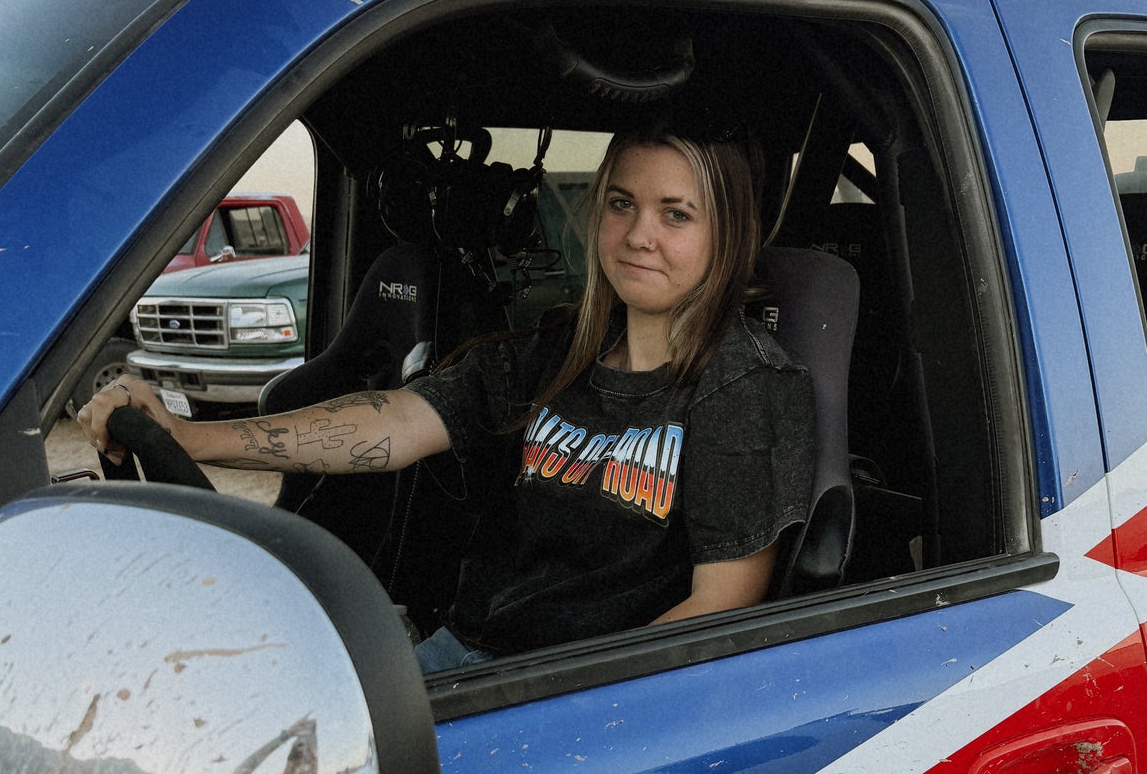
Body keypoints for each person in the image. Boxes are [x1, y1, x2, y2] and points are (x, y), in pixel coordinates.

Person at [79, 127, 815, 675]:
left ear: (728, 236)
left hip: (574, 694)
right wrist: (188, 435)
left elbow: (720, 605)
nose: (637, 235)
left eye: (675, 214)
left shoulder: (745, 385)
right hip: (468, 652)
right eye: (621, 204)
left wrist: (566, 703)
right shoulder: (555, 352)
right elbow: (393, 422)